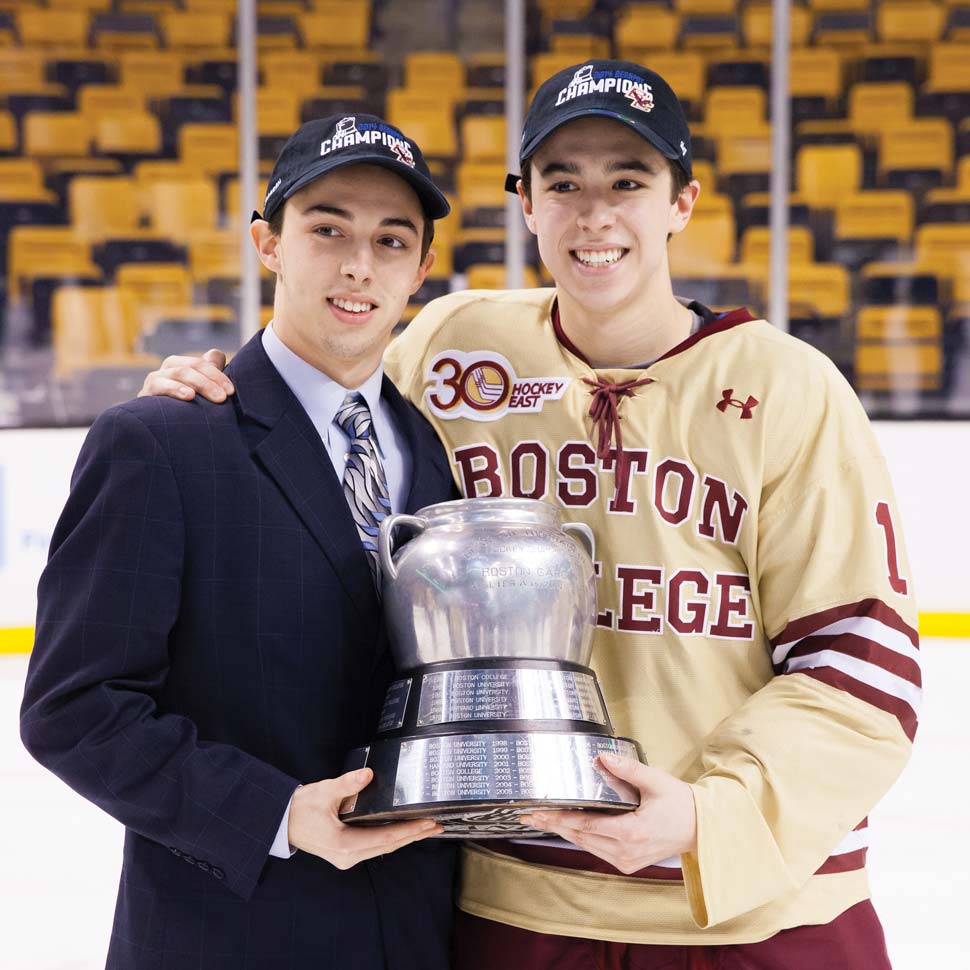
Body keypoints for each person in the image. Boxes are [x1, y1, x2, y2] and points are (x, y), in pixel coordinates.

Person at [140, 62, 921, 969]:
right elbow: (312, 398)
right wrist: (208, 391)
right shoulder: (454, 348)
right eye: (563, 183)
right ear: (526, 205)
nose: (595, 215)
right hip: (515, 906)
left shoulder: (789, 389)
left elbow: (864, 664)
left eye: (629, 181)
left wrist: (713, 817)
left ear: (683, 201)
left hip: (755, 910)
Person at [20, 114, 460, 970]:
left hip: (414, 934)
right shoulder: (162, 441)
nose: (358, 265)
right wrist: (278, 815)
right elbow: (74, 711)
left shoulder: (435, 452)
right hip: (227, 938)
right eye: (326, 229)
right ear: (268, 243)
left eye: (390, 239)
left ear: (423, 267)